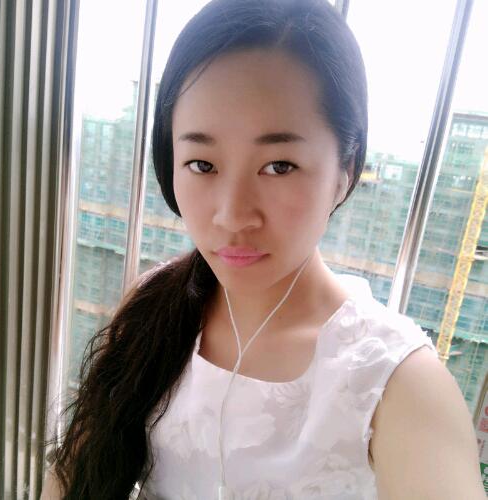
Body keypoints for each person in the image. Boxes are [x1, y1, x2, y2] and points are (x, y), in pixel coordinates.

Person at [41, 0, 485, 498]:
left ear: (345, 171)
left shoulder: (396, 383)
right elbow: (76, 472)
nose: (232, 216)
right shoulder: (154, 304)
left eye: (279, 166)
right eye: (202, 164)